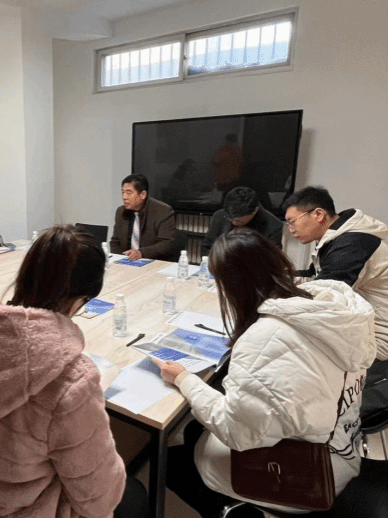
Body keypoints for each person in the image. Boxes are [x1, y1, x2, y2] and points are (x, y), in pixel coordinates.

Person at [0, 225, 148, 518]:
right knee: (134, 496)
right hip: (21, 511)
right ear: (81, 299)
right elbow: (98, 500)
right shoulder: (71, 381)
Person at [154, 228, 375, 518]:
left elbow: (237, 433)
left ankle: (239, 511)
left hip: (309, 478)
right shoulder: (323, 308)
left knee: (172, 461)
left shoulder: (264, 339)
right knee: (196, 427)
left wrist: (183, 379)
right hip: (344, 449)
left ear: (230, 285)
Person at [284, 185, 388, 421]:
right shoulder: (338, 236)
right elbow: (314, 277)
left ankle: (307, 421)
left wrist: (272, 297)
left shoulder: (353, 243)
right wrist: (279, 278)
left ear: (318, 215)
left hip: (378, 338)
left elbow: (323, 297)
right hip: (362, 325)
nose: (291, 230)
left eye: (292, 222)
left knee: (290, 346)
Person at [109, 174, 176, 261]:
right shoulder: (121, 211)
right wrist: (122, 258)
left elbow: (166, 244)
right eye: (123, 192)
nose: (124, 197)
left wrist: (141, 253)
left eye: (129, 193)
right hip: (127, 261)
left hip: (152, 261)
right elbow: (115, 242)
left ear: (143, 195)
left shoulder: (163, 211)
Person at [201, 187, 283, 256]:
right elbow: (207, 247)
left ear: (255, 211)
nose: (233, 222)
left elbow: (273, 260)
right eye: (230, 218)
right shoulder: (220, 215)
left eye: (239, 221)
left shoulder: (274, 226)